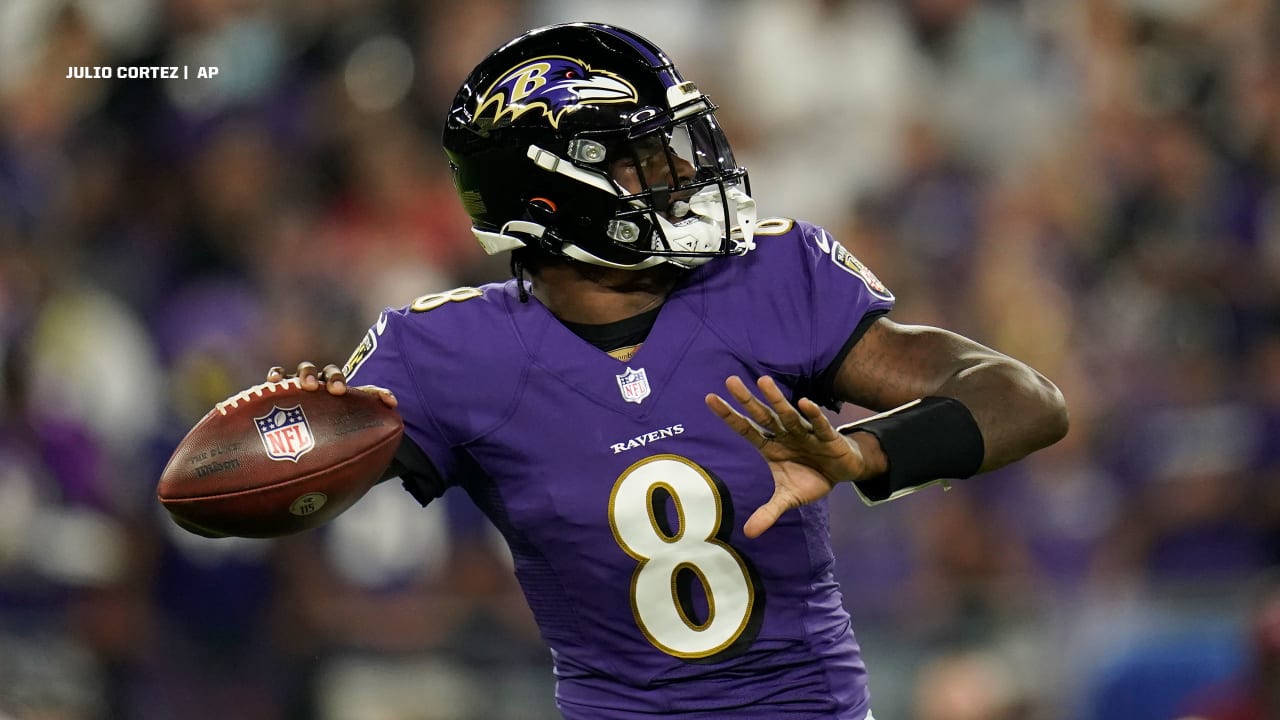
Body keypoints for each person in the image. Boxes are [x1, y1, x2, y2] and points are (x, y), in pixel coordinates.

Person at [258, 22, 1068, 720]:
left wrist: (864, 454)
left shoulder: (770, 275)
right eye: (637, 159)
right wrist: (296, 437)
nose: (679, 175)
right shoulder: (445, 351)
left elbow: (1024, 400)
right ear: (546, 195)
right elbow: (245, 497)